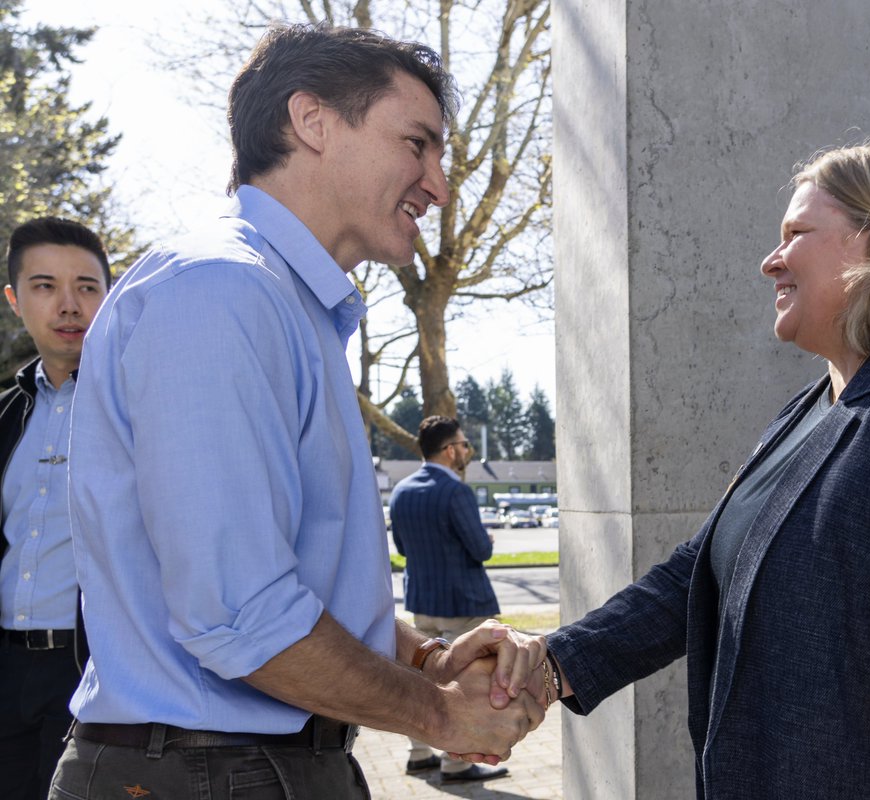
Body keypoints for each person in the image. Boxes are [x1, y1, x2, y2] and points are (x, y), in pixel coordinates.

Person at [51, 24, 544, 800]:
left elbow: (288, 589)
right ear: (311, 121)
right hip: (206, 772)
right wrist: (439, 716)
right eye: (417, 144)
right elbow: (241, 616)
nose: (439, 184)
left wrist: (423, 659)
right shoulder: (220, 291)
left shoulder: (275, 302)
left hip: (241, 766)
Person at [525, 143, 870, 797]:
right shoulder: (812, 408)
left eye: (795, 234)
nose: (770, 261)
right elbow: (701, 572)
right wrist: (555, 662)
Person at [0, 217, 110, 800]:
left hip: (91, 671)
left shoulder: (137, 411)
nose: (70, 305)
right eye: (45, 285)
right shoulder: (5, 418)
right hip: (7, 668)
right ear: (15, 300)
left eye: (88, 287)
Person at [390, 415, 509, 783]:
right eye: (464, 445)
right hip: (463, 601)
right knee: (467, 683)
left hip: (422, 597)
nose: (466, 451)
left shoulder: (401, 491)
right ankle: (456, 762)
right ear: (450, 449)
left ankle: (419, 754)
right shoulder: (456, 491)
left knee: (421, 679)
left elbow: (403, 548)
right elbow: (479, 549)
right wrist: (486, 542)